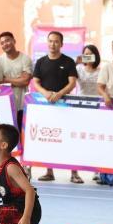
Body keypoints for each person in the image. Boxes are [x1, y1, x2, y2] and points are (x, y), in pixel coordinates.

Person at [32, 31, 79, 183]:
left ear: (61, 44)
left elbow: (72, 83)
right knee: (49, 139)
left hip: (65, 105)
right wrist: (45, 93)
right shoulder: (40, 62)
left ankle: (74, 173)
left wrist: (59, 94)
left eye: (56, 41)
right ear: (47, 42)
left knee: (69, 139)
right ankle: (49, 171)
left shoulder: (68, 61)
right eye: (50, 41)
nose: (53, 44)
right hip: (46, 106)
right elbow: (35, 82)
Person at [0, 32, 32, 135]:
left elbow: (25, 81)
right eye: (2, 43)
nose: (5, 44)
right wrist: (18, 80)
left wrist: (6, 79)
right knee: (7, 135)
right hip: (6, 104)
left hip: (23, 104)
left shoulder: (25, 58)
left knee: (21, 134)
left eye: (7, 40)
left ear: (14, 41)